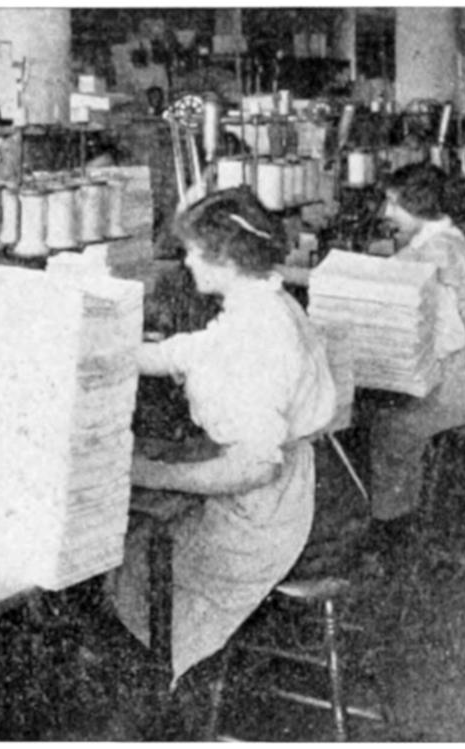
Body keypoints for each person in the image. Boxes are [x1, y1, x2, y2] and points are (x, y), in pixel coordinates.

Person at [107, 187, 339, 687]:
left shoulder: (258, 334)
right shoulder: (263, 304)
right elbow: (192, 350)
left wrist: (150, 473)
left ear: (227, 259)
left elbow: (254, 467)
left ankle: (159, 691)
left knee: (133, 561)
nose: (187, 261)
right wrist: (103, 350)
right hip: (284, 492)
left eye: (194, 251)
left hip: (263, 515)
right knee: (140, 550)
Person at [363, 163, 465, 549]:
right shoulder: (451, 241)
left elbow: (375, 282)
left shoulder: (435, 252)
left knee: (389, 426)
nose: (387, 213)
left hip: (462, 393)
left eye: (394, 205)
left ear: (417, 206)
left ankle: (393, 533)